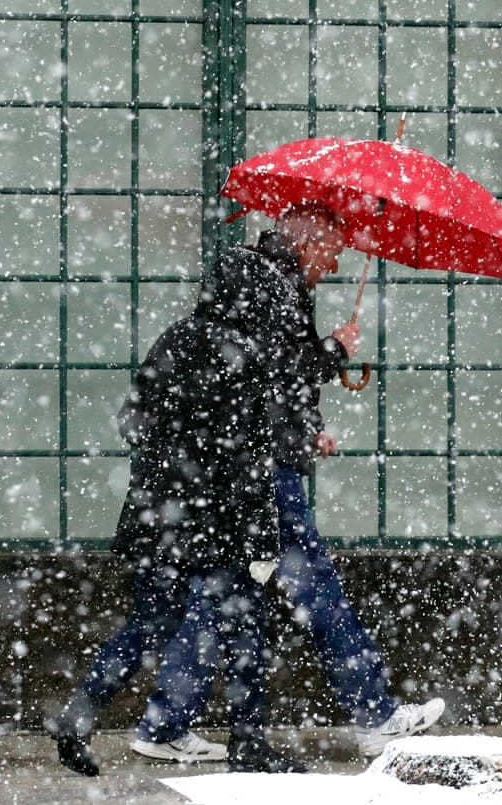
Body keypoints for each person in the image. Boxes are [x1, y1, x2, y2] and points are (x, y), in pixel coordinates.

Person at [129, 204, 443, 764]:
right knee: (312, 584)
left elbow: (266, 380)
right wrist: (334, 352)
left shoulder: (267, 280)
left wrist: (308, 432)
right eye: (332, 251)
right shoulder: (266, 283)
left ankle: (164, 724)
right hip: (261, 469)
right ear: (307, 242)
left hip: (257, 459)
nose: (335, 263)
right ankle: (374, 715)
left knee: (222, 593)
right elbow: (265, 368)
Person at [47, 222, 311, 776]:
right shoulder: (248, 356)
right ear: (259, 301)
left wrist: (174, 458)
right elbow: (250, 460)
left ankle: (79, 714)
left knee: (149, 624)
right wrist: (263, 537)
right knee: (246, 629)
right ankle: (248, 743)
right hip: (220, 525)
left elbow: (131, 421)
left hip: (159, 517)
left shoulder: (177, 336)